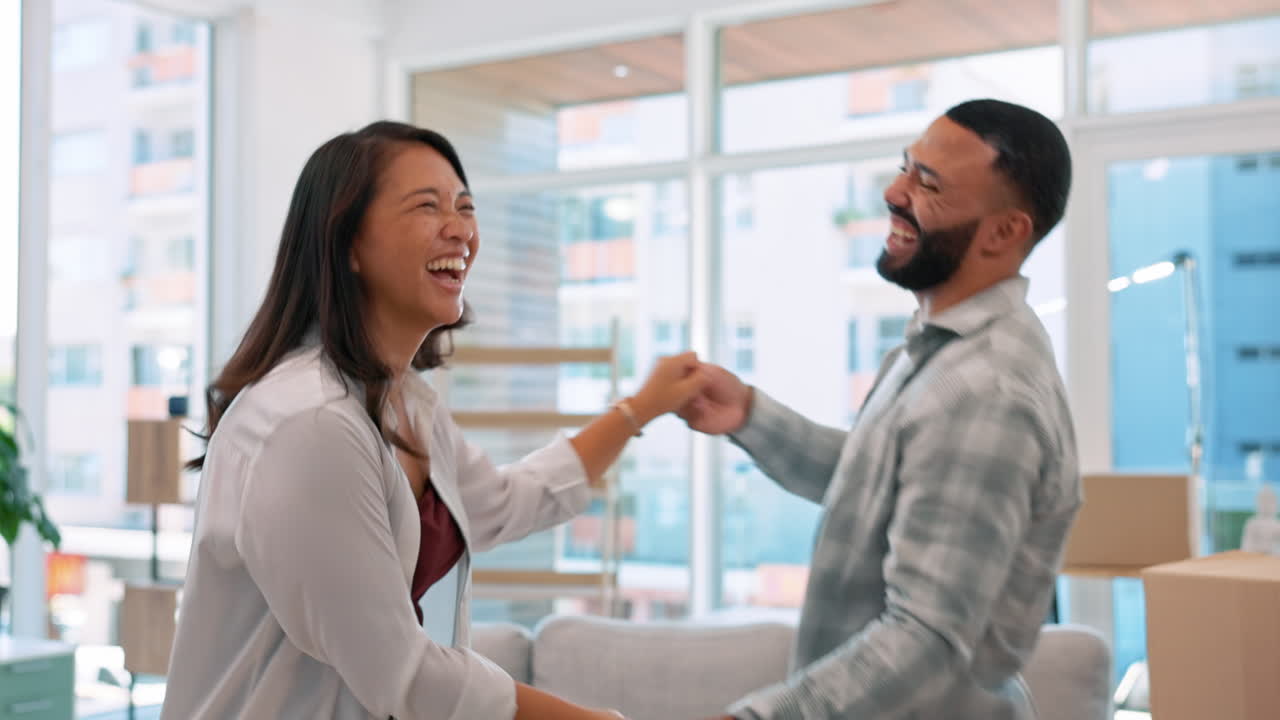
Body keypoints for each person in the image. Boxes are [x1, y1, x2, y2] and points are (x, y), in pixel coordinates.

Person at [161, 121, 705, 720]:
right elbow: (403, 672)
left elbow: (506, 502)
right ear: (348, 244)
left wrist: (642, 408)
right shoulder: (309, 425)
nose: (461, 229)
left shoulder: (409, 404)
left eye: (465, 207)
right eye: (428, 206)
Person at [683, 99, 1081, 719]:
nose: (894, 194)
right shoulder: (934, 350)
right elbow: (876, 483)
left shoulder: (988, 390)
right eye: (905, 168)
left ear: (1005, 232)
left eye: (929, 184)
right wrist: (750, 417)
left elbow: (926, 637)